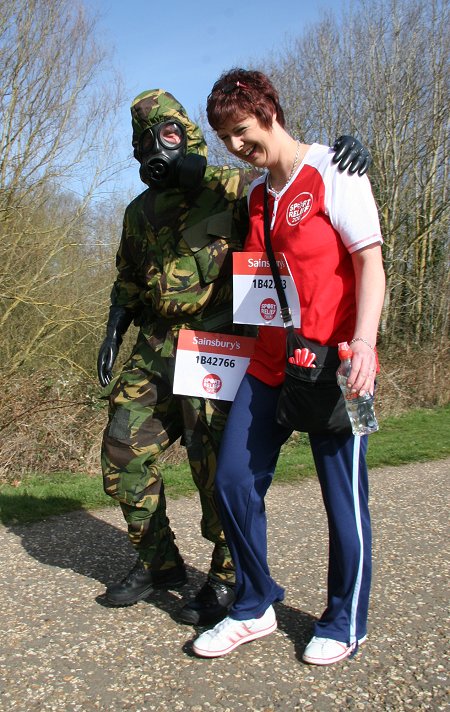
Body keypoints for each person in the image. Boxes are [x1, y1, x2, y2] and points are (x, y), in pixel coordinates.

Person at [97, 87, 371, 626]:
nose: (159, 146)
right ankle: (159, 563)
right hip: (156, 345)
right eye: (148, 139)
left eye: (170, 133)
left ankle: (228, 576)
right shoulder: (140, 212)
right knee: (123, 449)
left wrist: (347, 153)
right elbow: (128, 278)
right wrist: (113, 327)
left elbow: (288, 170)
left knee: (215, 463)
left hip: (216, 343)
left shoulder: (232, 187)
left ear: (188, 134)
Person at [191, 68, 385, 664]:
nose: (235, 147)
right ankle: (254, 606)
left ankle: (346, 620)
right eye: (225, 137)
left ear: (269, 112)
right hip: (270, 363)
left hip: (338, 364)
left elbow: (370, 263)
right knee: (232, 481)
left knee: (343, 499)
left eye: (242, 132)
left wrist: (367, 343)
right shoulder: (252, 195)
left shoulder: (336, 171)